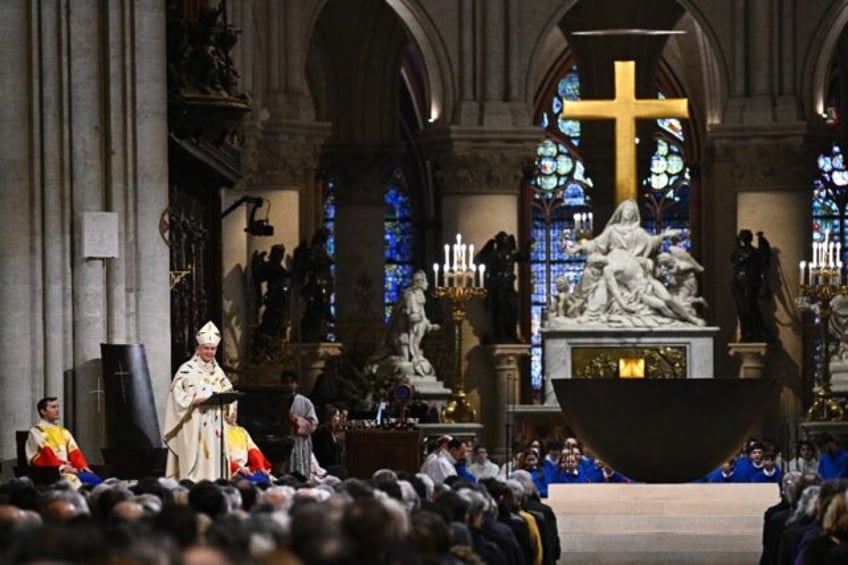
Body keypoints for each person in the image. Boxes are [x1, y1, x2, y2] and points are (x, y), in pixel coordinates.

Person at [163, 321, 234, 482]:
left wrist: (230, 401)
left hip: (215, 425)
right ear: (198, 348)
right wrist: (195, 400)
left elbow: (228, 390)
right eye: (206, 348)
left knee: (215, 463)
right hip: (193, 422)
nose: (210, 352)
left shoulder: (218, 372)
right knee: (194, 463)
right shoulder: (187, 369)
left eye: (213, 348)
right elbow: (176, 395)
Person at [25, 396, 102, 489]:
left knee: (94, 479)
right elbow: (45, 455)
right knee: (81, 483)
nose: (57, 410)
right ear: (43, 411)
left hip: (69, 470)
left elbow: (74, 451)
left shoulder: (63, 431)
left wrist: (82, 467)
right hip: (52, 473)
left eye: (57, 407)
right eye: (53, 407)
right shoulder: (37, 431)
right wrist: (63, 467)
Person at [385, 269, 441, 377]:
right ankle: (391, 361)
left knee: (420, 365)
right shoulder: (410, 295)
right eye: (425, 281)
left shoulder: (420, 295)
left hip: (413, 335)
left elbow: (422, 316)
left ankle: (416, 357)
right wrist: (422, 320)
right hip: (402, 336)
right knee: (405, 364)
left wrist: (430, 326)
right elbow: (412, 317)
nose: (427, 284)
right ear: (420, 282)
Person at [477, 231, 528, 343]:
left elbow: (524, 256)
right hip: (498, 286)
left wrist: (528, 244)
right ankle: (500, 334)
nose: (505, 242)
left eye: (505, 240)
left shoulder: (511, 254)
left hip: (509, 286)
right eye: (502, 240)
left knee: (513, 309)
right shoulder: (494, 254)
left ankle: (511, 332)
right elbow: (482, 259)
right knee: (499, 310)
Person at [293, 227, 334, 342]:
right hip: (315, 283)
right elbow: (311, 264)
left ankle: (318, 332)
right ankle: (309, 333)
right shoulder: (314, 250)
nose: (326, 239)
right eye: (325, 237)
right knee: (315, 308)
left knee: (321, 308)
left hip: (321, 281)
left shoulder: (322, 248)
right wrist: (326, 261)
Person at [730, 229, 771, 342]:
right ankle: (745, 333)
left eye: (746, 237)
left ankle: (755, 332)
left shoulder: (755, 252)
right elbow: (734, 260)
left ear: (750, 238)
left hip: (750, 282)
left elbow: (762, 265)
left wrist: (762, 240)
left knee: (750, 308)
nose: (745, 239)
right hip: (738, 283)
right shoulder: (738, 251)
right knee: (741, 310)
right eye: (743, 237)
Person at [281, 370, 318, 480]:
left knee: (300, 474)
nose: (288, 385)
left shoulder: (305, 402)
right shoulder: (277, 400)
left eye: (291, 382)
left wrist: (295, 420)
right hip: (283, 442)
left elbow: (313, 424)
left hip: (300, 442)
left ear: (296, 384)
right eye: (286, 382)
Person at [225, 403, 273, 484]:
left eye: (236, 410)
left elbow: (253, 450)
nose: (233, 413)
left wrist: (260, 467)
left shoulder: (241, 431)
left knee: (265, 479)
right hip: (229, 470)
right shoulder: (219, 431)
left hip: (245, 469)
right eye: (230, 410)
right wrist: (238, 468)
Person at [311, 404, 345, 471]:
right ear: (330, 417)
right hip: (325, 467)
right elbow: (326, 453)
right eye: (337, 416)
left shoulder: (329, 431)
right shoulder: (323, 432)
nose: (338, 419)